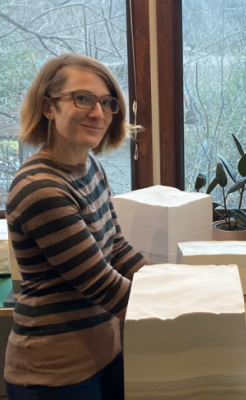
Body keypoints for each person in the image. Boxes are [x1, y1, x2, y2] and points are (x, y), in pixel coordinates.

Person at [4, 54, 147, 400]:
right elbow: (101, 284)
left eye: (107, 102)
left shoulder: (90, 166)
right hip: (54, 373)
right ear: (49, 107)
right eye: (82, 98)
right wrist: (182, 309)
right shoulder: (41, 187)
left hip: (105, 353)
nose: (98, 113)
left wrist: (170, 281)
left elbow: (117, 249)